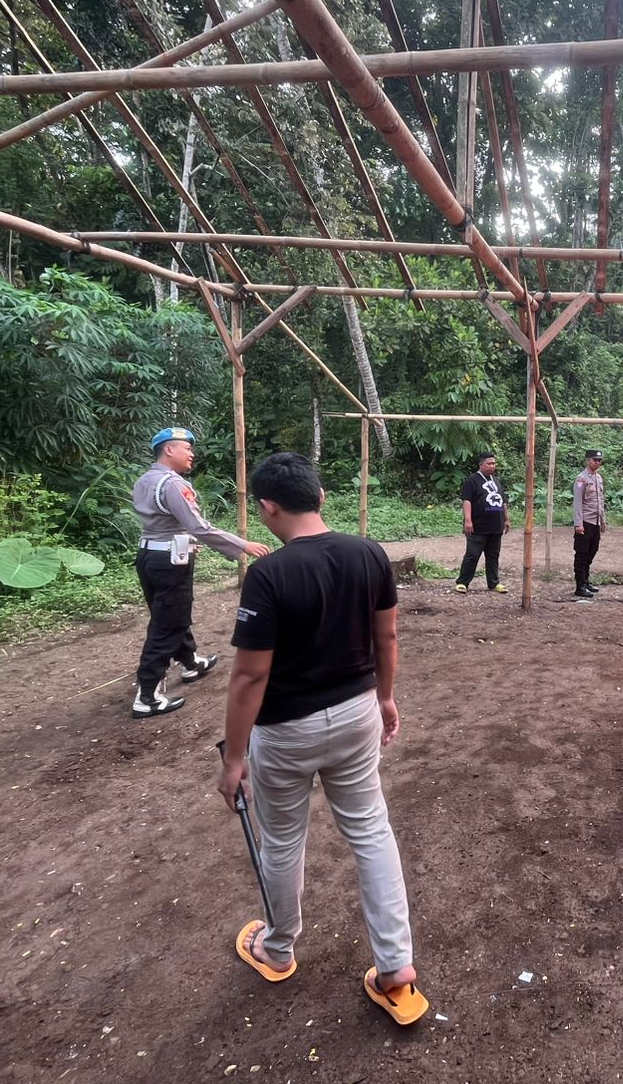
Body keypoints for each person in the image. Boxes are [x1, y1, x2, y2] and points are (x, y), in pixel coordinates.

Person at [215, 451, 427, 1026]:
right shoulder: (368, 553)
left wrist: (234, 758)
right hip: (358, 711)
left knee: (282, 841)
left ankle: (279, 948)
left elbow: (251, 675)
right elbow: (388, 638)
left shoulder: (268, 574)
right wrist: (384, 697)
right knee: (371, 831)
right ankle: (395, 968)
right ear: (322, 497)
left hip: (286, 731)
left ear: (266, 508)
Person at [130, 427, 270, 719]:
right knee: (167, 623)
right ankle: (148, 695)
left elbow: (166, 524)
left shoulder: (145, 480)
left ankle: (190, 661)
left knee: (169, 613)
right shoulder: (171, 483)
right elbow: (199, 527)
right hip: (170, 560)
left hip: (149, 554)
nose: (192, 453)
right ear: (169, 450)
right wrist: (243, 544)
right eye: (186, 448)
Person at [455, 452, 508, 594]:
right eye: (489, 463)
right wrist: (468, 520)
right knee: (472, 555)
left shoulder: (496, 481)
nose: (492, 466)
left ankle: (494, 583)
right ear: (481, 464)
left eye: (494, 463)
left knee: (493, 556)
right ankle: (463, 582)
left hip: (496, 525)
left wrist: (506, 519)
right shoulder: (472, 480)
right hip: (478, 525)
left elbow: (502, 501)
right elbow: (467, 500)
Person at [572, 448, 606, 600]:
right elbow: (578, 502)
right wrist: (578, 524)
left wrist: (603, 520)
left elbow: (600, 501)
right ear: (587, 460)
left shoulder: (598, 478)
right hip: (585, 522)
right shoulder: (581, 479)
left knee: (592, 551)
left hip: (595, 521)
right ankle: (580, 586)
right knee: (582, 554)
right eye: (595, 460)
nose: (597, 462)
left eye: (599, 460)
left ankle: (586, 581)